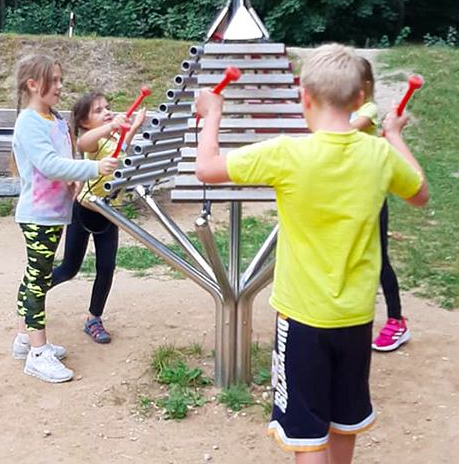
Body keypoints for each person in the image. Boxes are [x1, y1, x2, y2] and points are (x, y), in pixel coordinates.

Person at [194, 44, 428, 464]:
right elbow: (420, 194)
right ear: (361, 99)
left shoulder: (288, 154)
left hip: (302, 321)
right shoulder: (378, 155)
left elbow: (207, 168)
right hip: (356, 319)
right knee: (343, 423)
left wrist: (212, 114)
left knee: (306, 437)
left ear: (304, 96)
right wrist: (393, 135)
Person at [10, 54, 118, 383]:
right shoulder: (29, 122)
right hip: (38, 217)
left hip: (55, 214)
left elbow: (62, 159)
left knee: (38, 277)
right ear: (33, 84)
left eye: (60, 79)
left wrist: (73, 178)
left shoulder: (54, 119)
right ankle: (37, 354)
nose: (60, 86)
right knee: (38, 278)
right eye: (54, 80)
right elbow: (49, 165)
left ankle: (25, 339)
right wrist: (92, 169)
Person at [51, 92, 146, 344]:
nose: (106, 111)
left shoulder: (114, 137)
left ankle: (94, 318)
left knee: (106, 268)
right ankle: (35, 291)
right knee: (69, 268)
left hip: (108, 214)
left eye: (108, 107)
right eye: (98, 110)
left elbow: (121, 149)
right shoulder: (92, 140)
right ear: (84, 122)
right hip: (83, 212)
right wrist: (110, 126)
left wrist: (132, 128)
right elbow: (83, 144)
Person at [350, 58, 410, 352]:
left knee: (379, 260)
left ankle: (396, 321)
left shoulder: (367, 110)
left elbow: (349, 129)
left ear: (364, 87)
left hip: (370, 197)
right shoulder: (342, 110)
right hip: (344, 198)